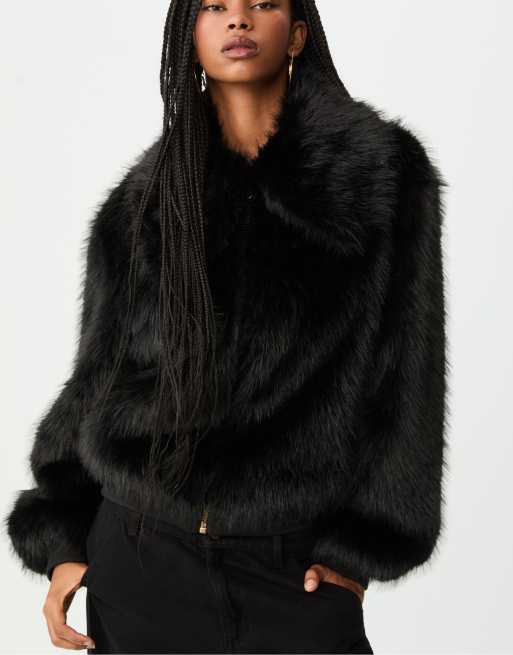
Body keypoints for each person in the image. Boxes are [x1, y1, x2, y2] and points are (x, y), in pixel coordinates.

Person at [5, 0, 448, 653]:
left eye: (261, 3)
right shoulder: (142, 203)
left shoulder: (378, 177)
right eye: (214, 7)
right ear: (190, 37)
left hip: (290, 572)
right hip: (139, 559)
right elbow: (95, 384)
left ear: (296, 33)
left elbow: (409, 373)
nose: (237, 20)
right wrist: (63, 537)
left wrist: (359, 552)